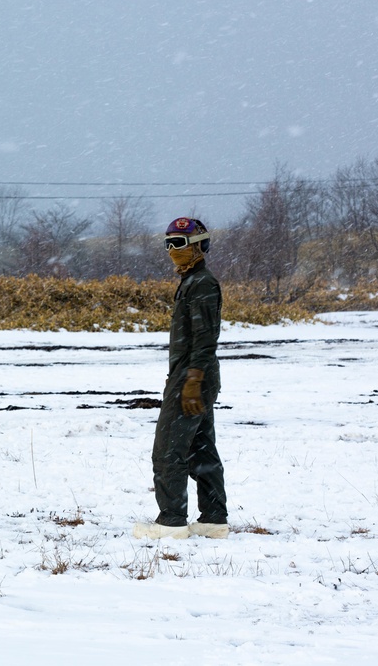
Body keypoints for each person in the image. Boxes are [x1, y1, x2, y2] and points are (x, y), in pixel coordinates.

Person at [134, 217, 229, 540]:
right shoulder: (191, 282)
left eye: (179, 244)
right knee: (201, 448)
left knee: (168, 450)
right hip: (191, 374)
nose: (173, 251)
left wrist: (192, 380)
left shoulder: (202, 283)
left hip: (192, 376)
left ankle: (171, 521)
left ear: (199, 246)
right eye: (168, 244)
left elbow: (205, 338)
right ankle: (213, 519)